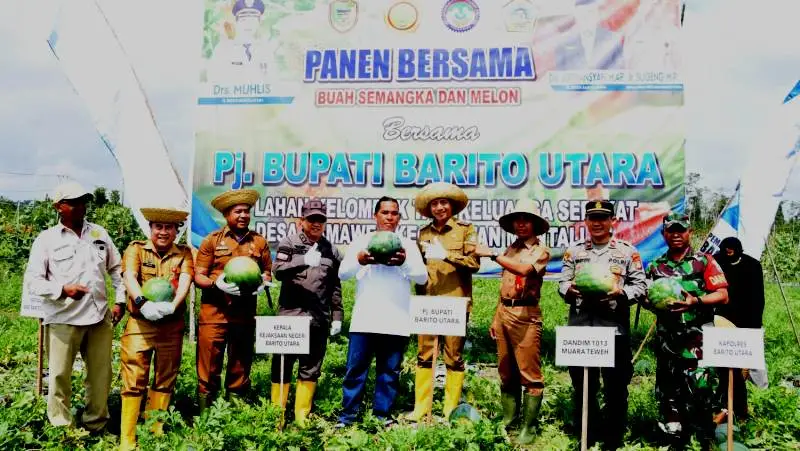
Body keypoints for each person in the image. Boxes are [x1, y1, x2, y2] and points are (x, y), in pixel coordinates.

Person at [23, 181, 125, 432]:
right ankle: (62, 429)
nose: (81, 206)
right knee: (59, 376)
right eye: (74, 202)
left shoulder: (99, 234)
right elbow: (34, 281)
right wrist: (62, 290)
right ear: (59, 207)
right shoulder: (46, 240)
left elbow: (117, 269)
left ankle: (95, 424)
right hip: (63, 319)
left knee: (101, 376)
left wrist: (120, 300)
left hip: (99, 317)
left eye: (83, 201)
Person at [558, 200, 647, 450]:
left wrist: (621, 294)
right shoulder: (574, 252)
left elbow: (640, 287)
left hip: (613, 330)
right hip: (580, 329)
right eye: (593, 218)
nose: (597, 223)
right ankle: (587, 434)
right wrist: (571, 290)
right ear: (586, 221)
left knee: (615, 388)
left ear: (612, 221)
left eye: (603, 218)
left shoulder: (627, 252)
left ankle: (612, 439)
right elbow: (562, 283)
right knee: (583, 386)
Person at [336, 196, 428, 427]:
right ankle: (347, 417)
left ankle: (382, 417)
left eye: (394, 213)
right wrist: (360, 260)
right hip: (364, 320)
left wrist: (404, 263)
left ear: (399, 218)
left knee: (389, 373)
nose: (389, 217)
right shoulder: (362, 241)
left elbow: (422, 277)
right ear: (375, 215)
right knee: (355, 371)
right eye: (385, 212)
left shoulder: (407, 245)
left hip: (396, 321)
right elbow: (343, 274)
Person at [644, 212, 729, 448]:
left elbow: (723, 295)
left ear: (689, 232)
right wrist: (650, 302)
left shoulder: (704, 261)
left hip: (698, 340)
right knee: (669, 389)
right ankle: (675, 436)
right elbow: (647, 297)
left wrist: (696, 302)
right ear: (664, 234)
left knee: (702, 388)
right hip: (667, 340)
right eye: (671, 230)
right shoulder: (656, 265)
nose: (676, 235)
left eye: (681, 230)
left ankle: (705, 435)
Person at [473, 198, 550, 445]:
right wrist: (497, 318)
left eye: (526, 220)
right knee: (506, 372)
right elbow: (504, 286)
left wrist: (492, 254)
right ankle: (509, 418)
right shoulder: (512, 248)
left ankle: (529, 426)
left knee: (530, 374)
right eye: (517, 220)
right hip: (505, 312)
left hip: (526, 316)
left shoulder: (540, 250)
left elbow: (524, 270)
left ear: (535, 224)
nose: (521, 224)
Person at [118, 207, 193, 450]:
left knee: (166, 375)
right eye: (158, 227)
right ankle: (127, 437)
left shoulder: (184, 253)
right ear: (150, 228)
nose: (163, 232)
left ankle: (154, 430)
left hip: (171, 326)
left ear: (176, 230)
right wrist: (141, 302)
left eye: (168, 227)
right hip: (141, 323)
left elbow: (185, 281)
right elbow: (129, 276)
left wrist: (173, 305)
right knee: (133, 375)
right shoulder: (136, 249)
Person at [194, 189, 272, 410]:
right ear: (227, 215)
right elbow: (198, 274)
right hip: (214, 314)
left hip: (244, 315)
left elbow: (267, 271)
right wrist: (214, 283)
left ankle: (236, 412)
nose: (243, 215)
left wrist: (262, 282)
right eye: (238, 211)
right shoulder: (212, 241)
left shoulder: (258, 242)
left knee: (240, 363)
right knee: (208, 365)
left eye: (246, 211)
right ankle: (206, 414)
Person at [408, 182, 480, 421]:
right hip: (428, 302)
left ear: (452, 206)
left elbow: (474, 264)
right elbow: (419, 270)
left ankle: (449, 409)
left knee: (453, 355)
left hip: (455, 302)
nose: (439, 207)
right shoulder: (423, 233)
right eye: (435, 204)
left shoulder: (466, 230)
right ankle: (421, 407)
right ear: (429, 208)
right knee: (424, 354)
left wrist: (448, 256)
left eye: (444, 203)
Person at [270, 199, 343, 426]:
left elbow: (335, 287)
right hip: (291, 317)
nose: (316, 224)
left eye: (320, 220)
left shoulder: (331, 250)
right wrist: (302, 261)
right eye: (311, 219)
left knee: (311, 368)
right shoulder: (289, 243)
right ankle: (276, 417)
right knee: (282, 366)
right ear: (302, 221)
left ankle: (302, 416)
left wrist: (337, 316)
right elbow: (278, 271)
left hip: (318, 318)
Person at [713, 236, 765, 420]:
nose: (728, 252)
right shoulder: (715, 262)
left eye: (732, 249)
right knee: (722, 368)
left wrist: (753, 329)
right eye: (725, 249)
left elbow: (757, 299)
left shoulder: (752, 266)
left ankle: (739, 411)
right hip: (720, 322)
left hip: (745, 323)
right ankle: (722, 406)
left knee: (741, 369)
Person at [206, 0, 278, 82]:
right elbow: (213, 78)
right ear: (237, 22)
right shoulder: (223, 48)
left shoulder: (265, 49)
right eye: (244, 20)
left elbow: (273, 79)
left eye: (253, 20)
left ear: (258, 23)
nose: (248, 25)